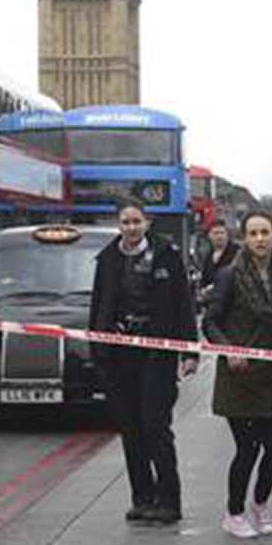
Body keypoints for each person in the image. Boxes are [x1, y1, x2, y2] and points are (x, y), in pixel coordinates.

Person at [87, 196, 199, 525]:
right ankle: (142, 498)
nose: (132, 228)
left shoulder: (167, 256)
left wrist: (189, 350)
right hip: (120, 355)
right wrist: (98, 350)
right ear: (118, 225)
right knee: (130, 429)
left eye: (137, 221)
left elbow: (184, 305)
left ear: (147, 223)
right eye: (126, 222)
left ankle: (169, 500)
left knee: (155, 427)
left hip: (157, 355)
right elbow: (98, 307)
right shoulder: (107, 259)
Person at [202, 209, 272, 540]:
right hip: (238, 375)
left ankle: (260, 502)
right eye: (253, 233)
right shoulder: (228, 275)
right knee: (248, 447)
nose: (259, 239)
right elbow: (209, 322)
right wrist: (229, 349)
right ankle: (234, 512)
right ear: (244, 238)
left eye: (265, 232)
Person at [194, 215, 236, 303]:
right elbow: (204, 278)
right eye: (216, 233)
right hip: (212, 303)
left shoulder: (236, 252)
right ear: (209, 235)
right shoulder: (207, 256)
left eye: (222, 233)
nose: (219, 236)